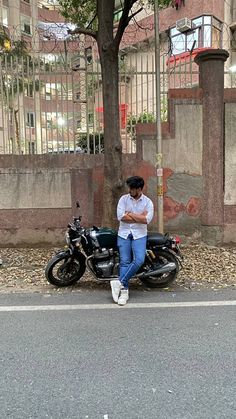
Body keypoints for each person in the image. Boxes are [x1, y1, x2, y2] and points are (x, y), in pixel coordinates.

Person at [110, 176, 154, 306]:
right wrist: (139, 216)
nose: (130, 190)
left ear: (139, 189)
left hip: (139, 235)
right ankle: (124, 291)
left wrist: (130, 214)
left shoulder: (148, 202)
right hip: (123, 234)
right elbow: (121, 217)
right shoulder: (123, 199)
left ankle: (119, 282)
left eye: (132, 188)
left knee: (139, 259)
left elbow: (147, 220)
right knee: (124, 262)